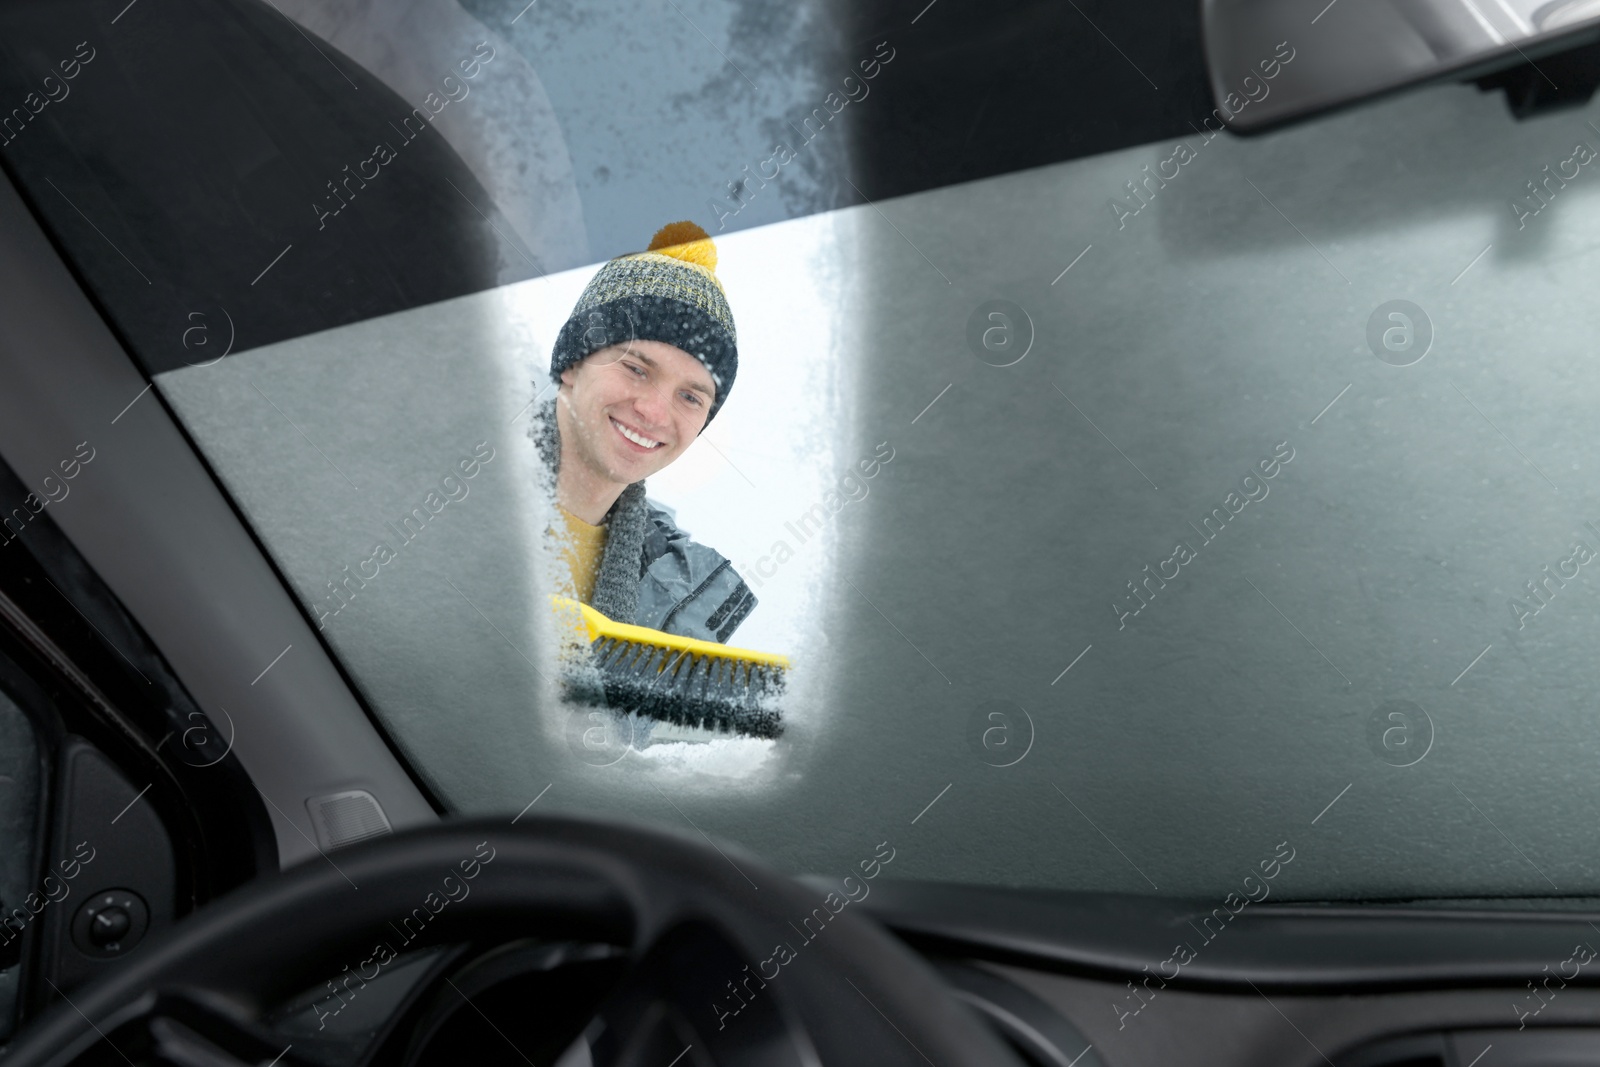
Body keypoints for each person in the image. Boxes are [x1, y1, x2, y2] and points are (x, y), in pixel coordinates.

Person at [531, 220, 757, 644]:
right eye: (636, 368)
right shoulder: (449, 482)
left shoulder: (682, 591)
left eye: (690, 397)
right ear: (573, 364)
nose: (654, 412)